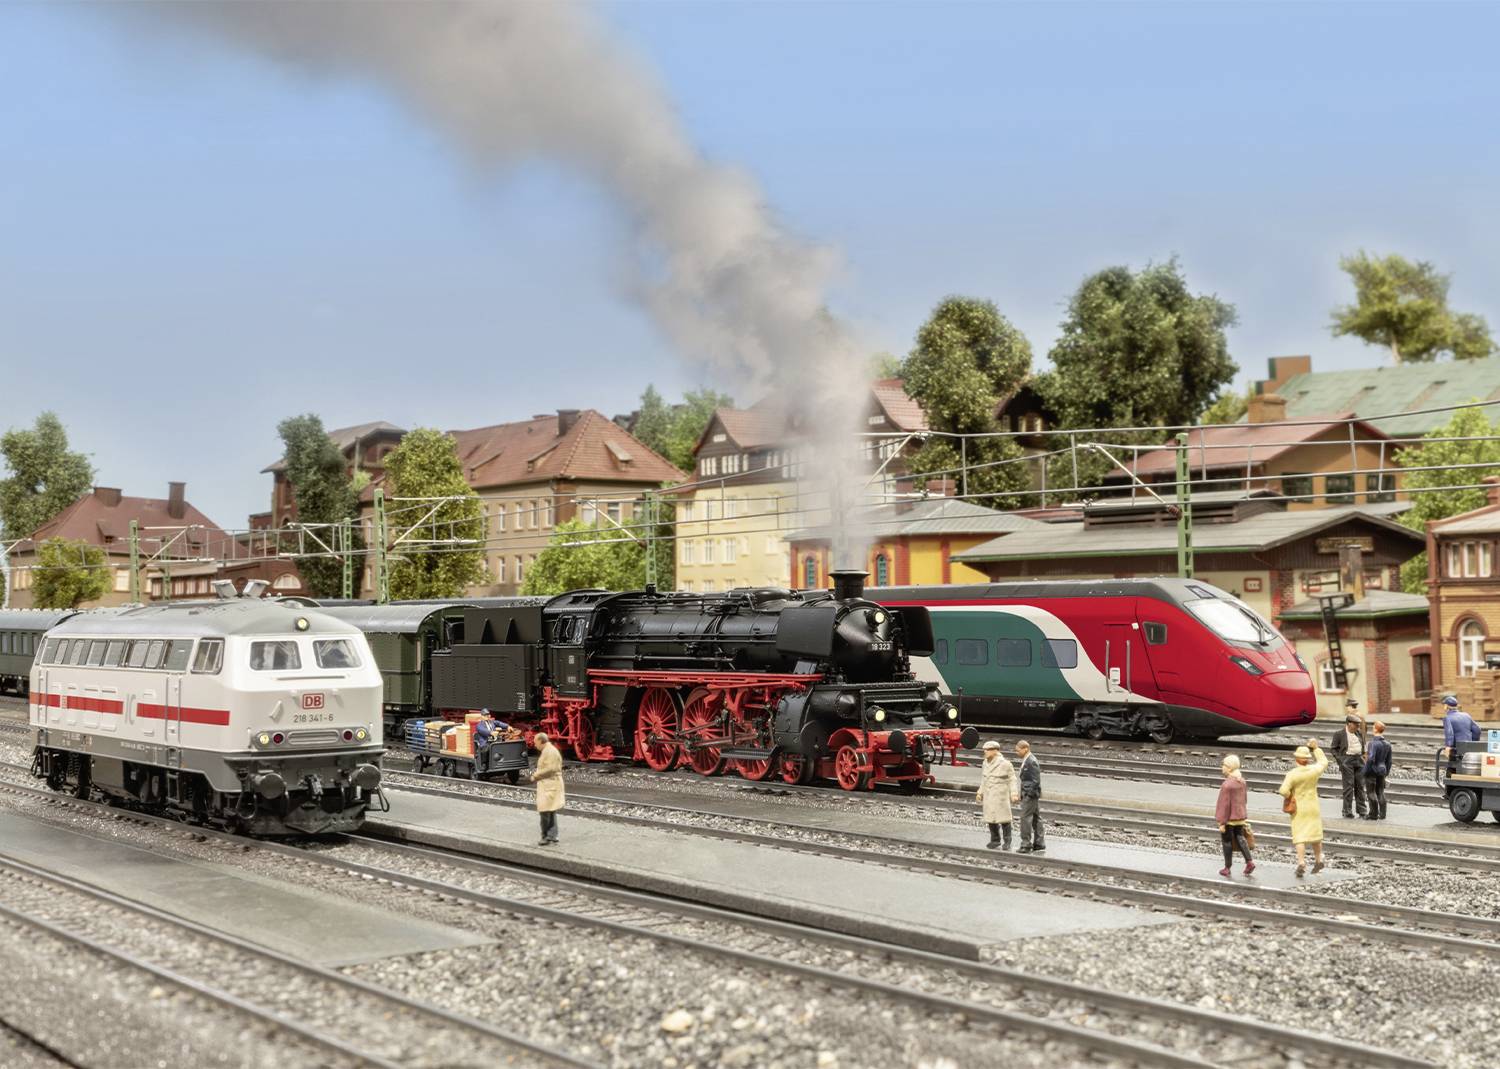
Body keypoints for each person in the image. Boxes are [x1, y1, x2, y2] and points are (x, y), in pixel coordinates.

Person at [1277, 738, 1328, 877]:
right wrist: (1316, 748)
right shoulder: (1314, 770)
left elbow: (1283, 790)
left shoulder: (1292, 774)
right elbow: (1324, 762)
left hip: (1299, 807)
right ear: (1307, 759)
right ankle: (1318, 860)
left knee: (1300, 836)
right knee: (1315, 835)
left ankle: (1301, 862)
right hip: (1313, 806)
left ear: (1297, 759)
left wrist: (1290, 796)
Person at [1215, 754, 1255, 877]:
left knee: (1227, 842)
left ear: (1230, 768)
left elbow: (1224, 805)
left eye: (1224, 766)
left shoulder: (1227, 785)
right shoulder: (1242, 782)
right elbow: (1245, 800)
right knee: (1240, 838)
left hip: (1229, 820)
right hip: (1240, 817)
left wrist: (1221, 822)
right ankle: (1249, 862)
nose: (1222, 768)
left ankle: (1227, 867)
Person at [975, 740, 1020, 850]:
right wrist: (980, 792)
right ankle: (995, 840)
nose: (985, 752)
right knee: (991, 819)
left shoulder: (1005, 764)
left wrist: (1014, 793)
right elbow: (984, 779)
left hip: (1000, 796)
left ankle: (1007, 841)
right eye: (984, 750)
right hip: (989, 795)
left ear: (995, 751)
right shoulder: (985, 763)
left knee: (1004, 819)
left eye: (988, 750)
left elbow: (1012, 779)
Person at [1329, 709, 1369, 819]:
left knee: (1360, 786)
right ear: (1349, 724)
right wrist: (1340, 760)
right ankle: (1347, 811)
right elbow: (1333, 749)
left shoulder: (1359, 733)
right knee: (1348, 787)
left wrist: (1365, 757)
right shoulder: (1339, 734)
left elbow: (1364, 746)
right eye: (1355, 725)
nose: (1357, 727)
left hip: (1359, 760)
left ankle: (1362, 810)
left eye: (1358, 725)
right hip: (1347, 761)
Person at [530, 731, 565, 845]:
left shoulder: (550, 752)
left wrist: (536, 776)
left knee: (545, 811)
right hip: (550, 785)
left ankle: (546, 836)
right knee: (550, 810)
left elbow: (551, 769)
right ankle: (552, 835)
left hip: (550, 785)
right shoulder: (549, 750)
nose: (534, 745)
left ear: (541, 741)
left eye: (535, 742)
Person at [1015, 740, 1044, 853]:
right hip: (1030, 794)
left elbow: (1035, 780)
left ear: (1025, 749)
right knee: (1036, 818)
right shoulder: (1028, 759)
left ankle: (1026, 844)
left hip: (1030, 795)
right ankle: (1039, 842)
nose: (1017, 753)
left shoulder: (1031, 761)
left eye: (1018, 750)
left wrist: (1028, 794)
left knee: (1025, 818)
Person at [1363, 721, 1392, 821]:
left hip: (1372, 770)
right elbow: (1389, 761)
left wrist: (1365, 770)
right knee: (1380, 792)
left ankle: (1373, 814)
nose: (1372, 728)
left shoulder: (1373, 743)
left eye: (1373, 727)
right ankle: (1382, 814)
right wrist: (1386, 772)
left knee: (1371, 793)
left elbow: (1371, 759)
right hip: (1382, 770)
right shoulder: (1388, 744)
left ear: (1376, 729)